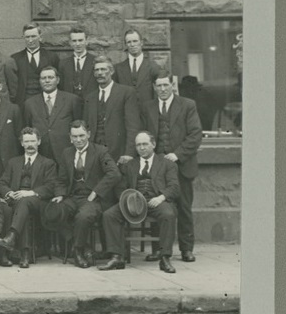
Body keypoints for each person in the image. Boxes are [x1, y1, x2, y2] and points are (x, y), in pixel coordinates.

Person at [142, 74, 203, 262]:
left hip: (181, 165)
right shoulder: (147, 107)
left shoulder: (187, 105)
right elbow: (144, 135)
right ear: (154, 87)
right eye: (159, 85)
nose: (162, 89)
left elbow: (195, 134)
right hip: (157, 166)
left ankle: (186, 249)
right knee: (157, 205)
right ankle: (159, 249)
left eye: (166, 85)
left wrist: (177, 155)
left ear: (172, 85)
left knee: (184, 207)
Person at [99, 132, 180, 273]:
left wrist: (161, 197)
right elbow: (120, 187)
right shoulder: (130, 165)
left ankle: (165, 258)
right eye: (138, 145)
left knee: (168, 214)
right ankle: (117, 256)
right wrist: (127, 200)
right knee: (109, 215)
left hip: (157, 201)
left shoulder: (167, 164)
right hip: (134, 202)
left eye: (145, 144)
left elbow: (174, 187)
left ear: (153, 144)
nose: (142, 148)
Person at [48, 121, 119, 268]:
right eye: (75, 137)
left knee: (83, 217)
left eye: (81, 135)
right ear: (70, 137)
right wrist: (60, 194)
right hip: (73, 196)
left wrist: (96, 191)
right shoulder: (67, 153)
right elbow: (61, 179)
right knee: (51, 211)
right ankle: (83, 245)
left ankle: (78, 252)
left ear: (88, 134)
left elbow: (114, 174)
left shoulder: (100, 151)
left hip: (92, 199)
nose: (78, 140)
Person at [0, 127, 62, 268]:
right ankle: (24, 255)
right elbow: (2, 182)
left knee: (24, 203)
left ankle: (12, 237)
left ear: (39, 142)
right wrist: (9, 193)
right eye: (27, 141)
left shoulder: (47, 163)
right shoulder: (14, 162)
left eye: (33, 141)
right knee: (19, 209)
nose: (30, 144)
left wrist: (31, 192)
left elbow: (51, 186)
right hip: (17, 200)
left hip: (38, 202)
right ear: (22, 144)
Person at [83, 55, 140, 162]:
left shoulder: (126, 93)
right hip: (94, 153)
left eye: (103, 69)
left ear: (111, 71)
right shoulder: (90, 97)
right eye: (96, 70)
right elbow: (86, 127)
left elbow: (133, 126)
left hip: (119, 153)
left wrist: (129, 153)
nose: (100, 73)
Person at [22, 63, 81, 161]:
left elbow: (78, 125)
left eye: (50, 77)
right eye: (43, 78)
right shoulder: (30, 103)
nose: (47, 81)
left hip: (65, 151)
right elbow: (28, 128)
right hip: (41, 152)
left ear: (57, 80)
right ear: (40, 81)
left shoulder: (72, 100)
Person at [114, 28, 164, 115]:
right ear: (125, 45)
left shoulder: (154, 67)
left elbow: (159, 93)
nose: (132, 44)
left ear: (141, 43)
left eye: (135, 41)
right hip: (125, 116)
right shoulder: (118, 69)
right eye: (129, 42)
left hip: (148, 115)